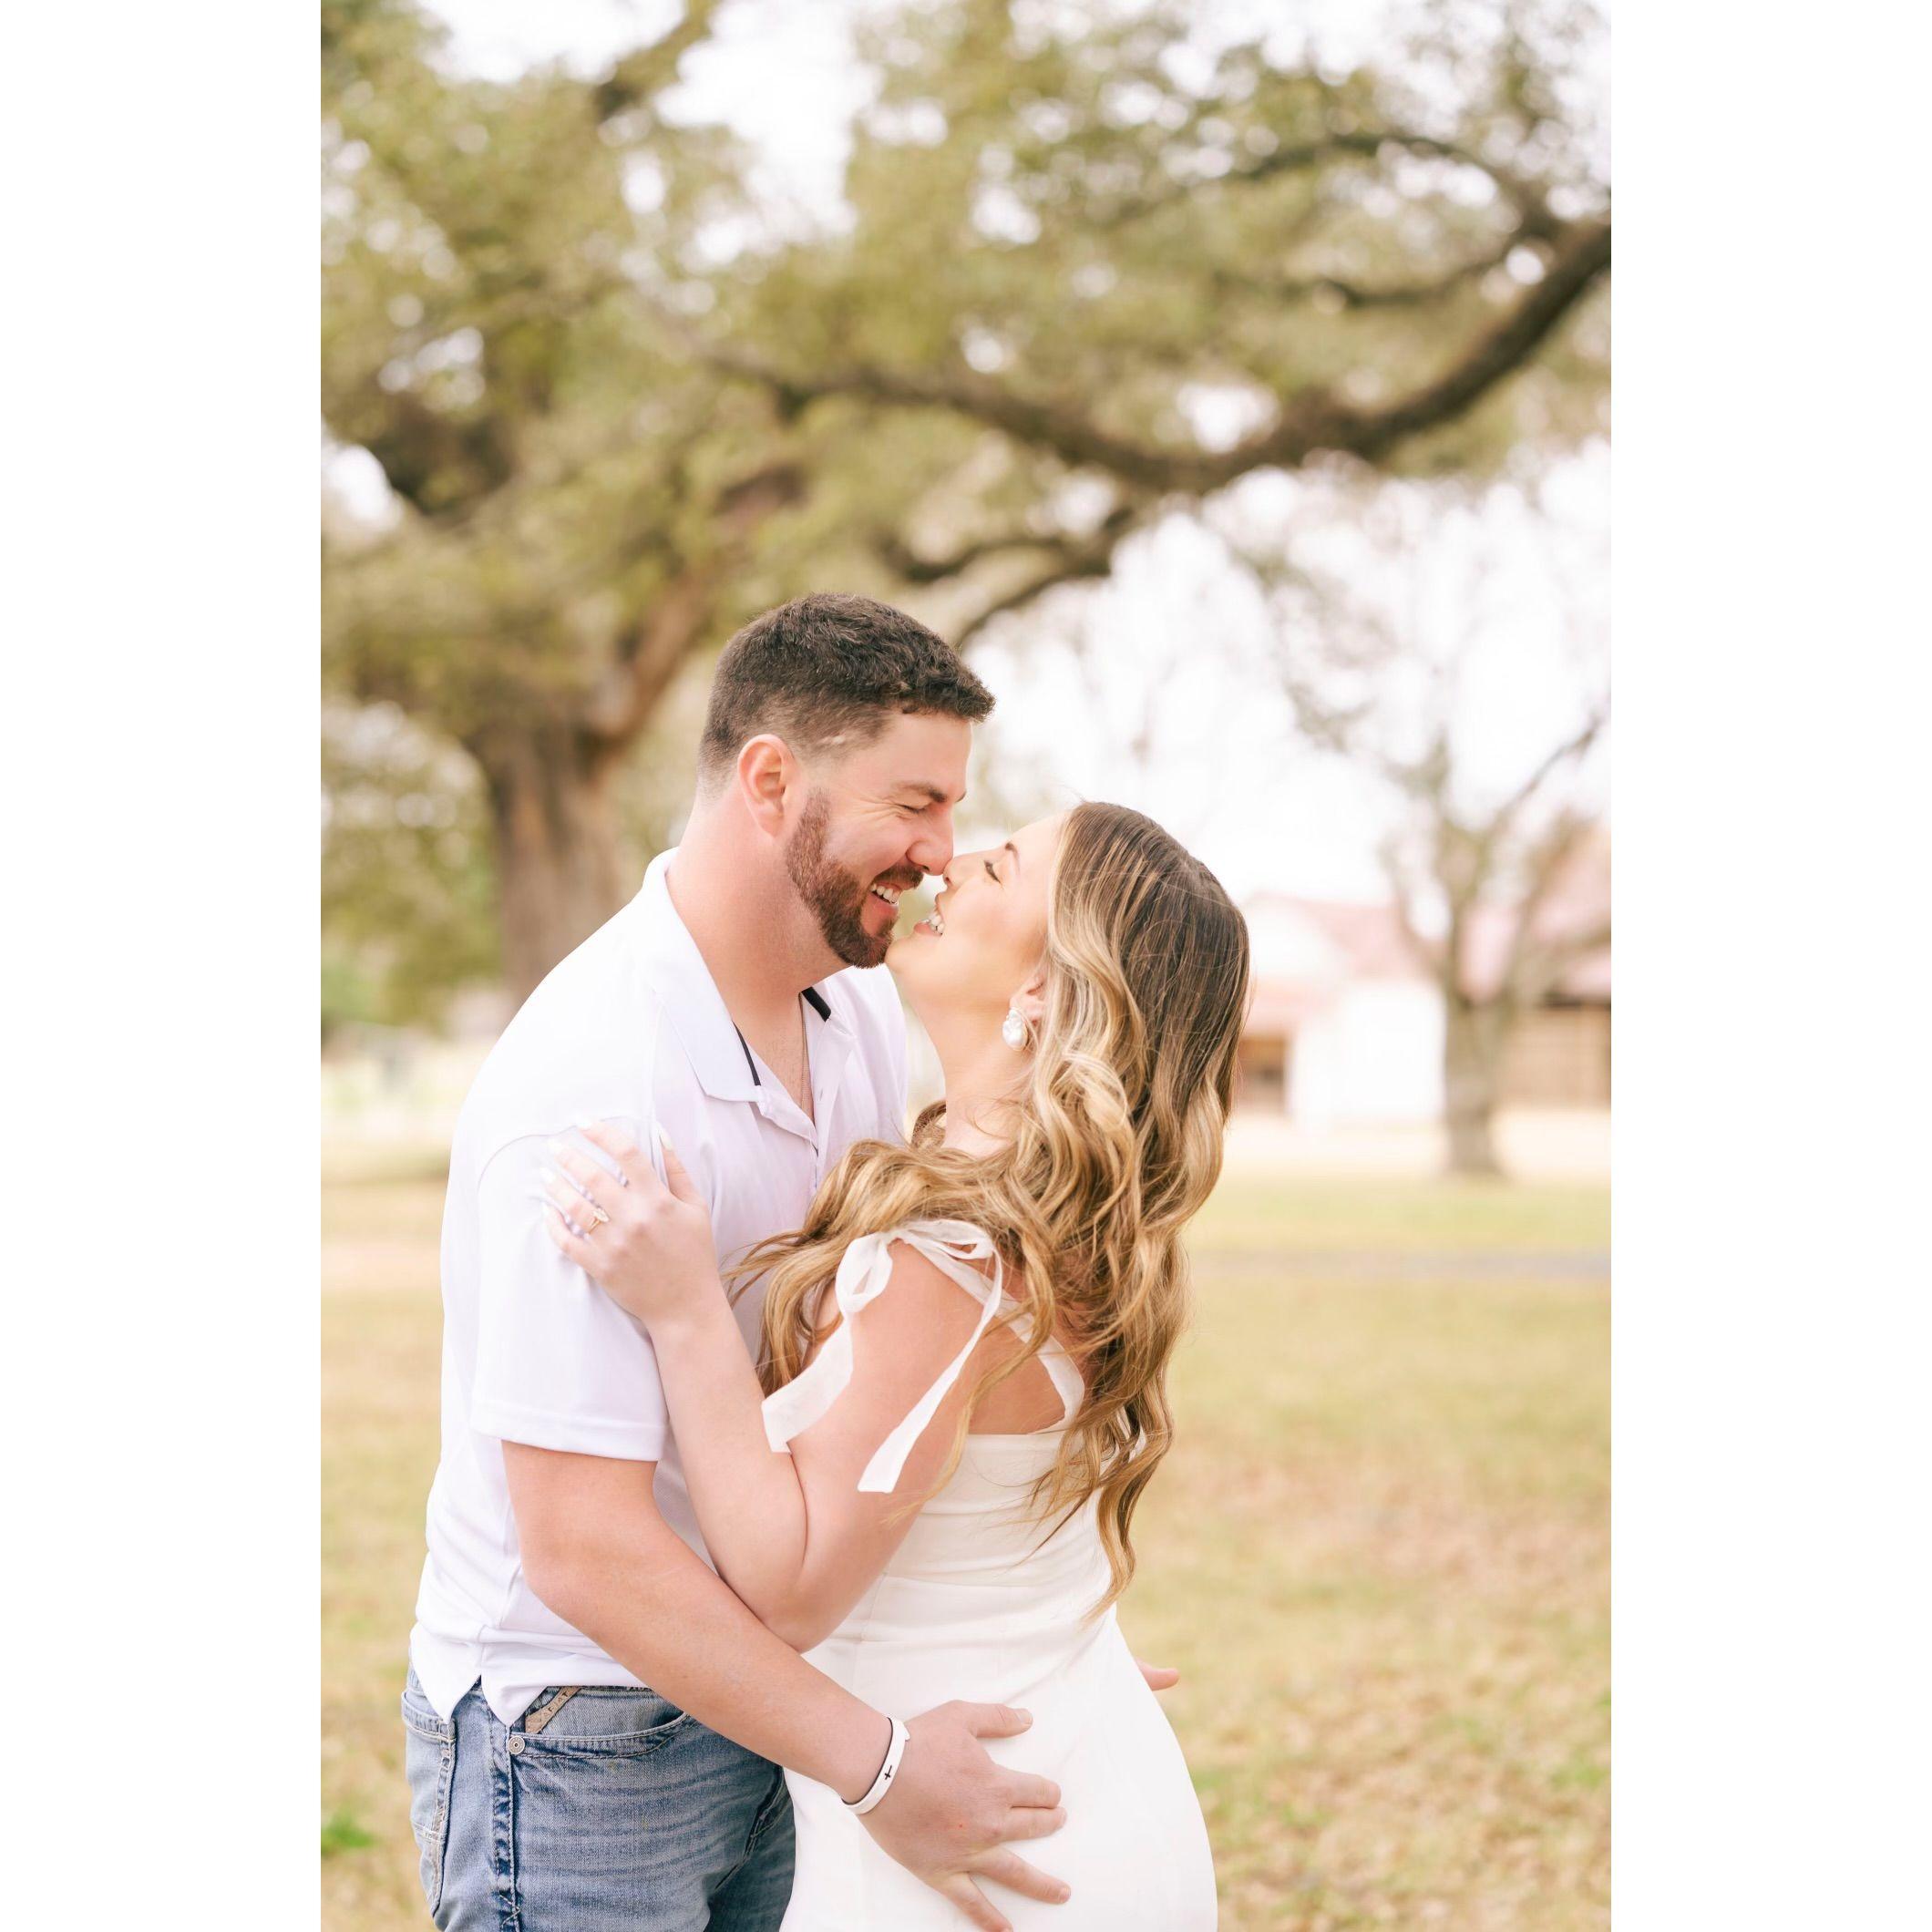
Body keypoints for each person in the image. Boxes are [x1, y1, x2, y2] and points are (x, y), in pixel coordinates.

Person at [404, 594, 1082, 1932]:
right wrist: (877, 1766)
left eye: (954, 810)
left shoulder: (860, 1009)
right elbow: (582, 1548)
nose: (941, 852)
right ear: (771, 781)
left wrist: (1029, 1642)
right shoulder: (593, 1087)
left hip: (781, 1706)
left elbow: (877, 1397)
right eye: (915, 804)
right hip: (583, 1737)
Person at [542, 799, 1250, 1928]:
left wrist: (684, 1312)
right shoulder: (1073, 1229)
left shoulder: (949, 1266)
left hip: (965, 1846)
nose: (949, 864)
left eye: (1001, 865)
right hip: (1068, 1779)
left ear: (1043, 987)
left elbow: (787, 1589)